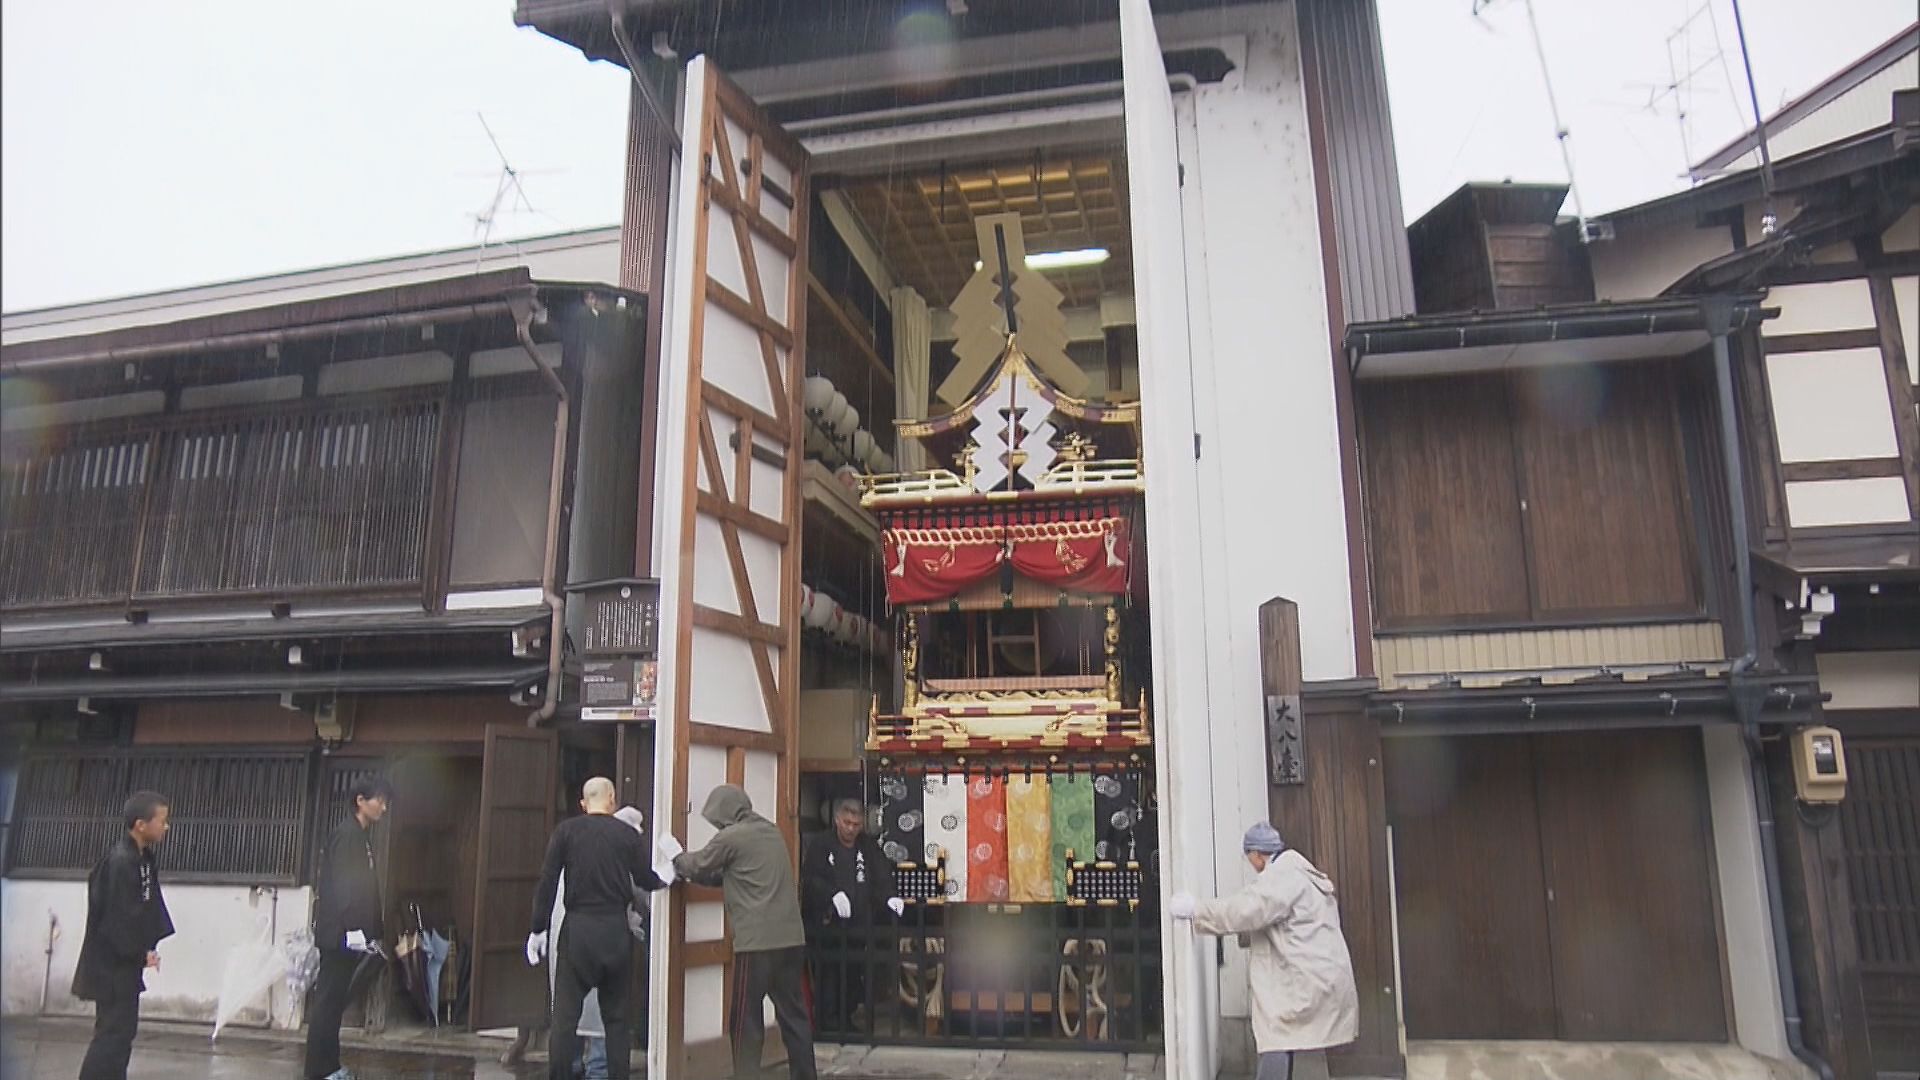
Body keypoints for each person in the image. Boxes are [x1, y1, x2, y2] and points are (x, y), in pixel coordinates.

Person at [1169, 822, 1359, 1080]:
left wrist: (1197, 910)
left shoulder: (1283, 877)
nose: (1251, 864)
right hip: (1321, 974)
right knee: (1290, 1036)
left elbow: (1246, 910)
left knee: (1276, 1033)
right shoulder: (1299, 872)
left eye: (1250, 857)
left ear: (1257, 854)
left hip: (1304, 979)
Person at [671, 784, 815, 1080]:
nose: (717, 825)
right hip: (791, 940)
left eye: (716, 819)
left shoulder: (731, 837)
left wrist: (673, 857)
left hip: (756, 943)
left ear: (724, 813)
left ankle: (746, 1075)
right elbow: (732, 876)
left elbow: (697, 865)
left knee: (745, 1019)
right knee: (794, 1017)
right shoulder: (772, 832)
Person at [527, 778, 666, 1080]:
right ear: (612, 799)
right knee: (616, 1020)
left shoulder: (566, 831)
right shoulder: (627, 835)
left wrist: (538, 929)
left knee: (564, 1019)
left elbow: (548, 881)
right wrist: (667, 876)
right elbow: (644, 879)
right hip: (615, 930)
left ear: (583, 803)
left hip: (578, 929)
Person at [72, 790, 175, 1080]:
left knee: (123, 1033)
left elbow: (146, 907)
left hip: (125, 964)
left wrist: (147, 948)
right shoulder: (119, 862)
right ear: (141, 825)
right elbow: (115, 919)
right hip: (110, 965)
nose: (166, 827)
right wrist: (137, 952)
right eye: (162, 820)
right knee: (111, 1035)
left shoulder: (142, 859)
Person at [549, 802, 653, 1080]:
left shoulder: (574, 842)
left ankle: (571, 1066)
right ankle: (598, 1068)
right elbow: (643, 892)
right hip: (606, 940)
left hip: (570, 937)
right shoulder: (619, 852)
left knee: (567, 1015)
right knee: (608, 1017)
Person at [306, 774, 393, 1080]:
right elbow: (346, 887)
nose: (383, 806)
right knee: (328, 1003)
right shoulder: (347, 835)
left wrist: (374, 931)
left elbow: (366, 889)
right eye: (378, 800)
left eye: (385, 801)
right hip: (338, 934)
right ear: (360, 801)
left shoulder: (361, 835)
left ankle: (330, 1066)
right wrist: (354, 929)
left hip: (350, 934)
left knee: (334, 1004)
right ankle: (318, 1070)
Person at [799, 798, 903, 1034]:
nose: (851, 829)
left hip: (858, 923)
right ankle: (827, 1022)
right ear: (837, 820)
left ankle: (845, 1019)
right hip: (829, 925)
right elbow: (811, 878)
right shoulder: (821, 844)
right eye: (847, 823)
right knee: (829, 975)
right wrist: (831, 895)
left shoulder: (867, 846)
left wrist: (889, 896)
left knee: (853, 975)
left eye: (856, 824)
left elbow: (881, 874)